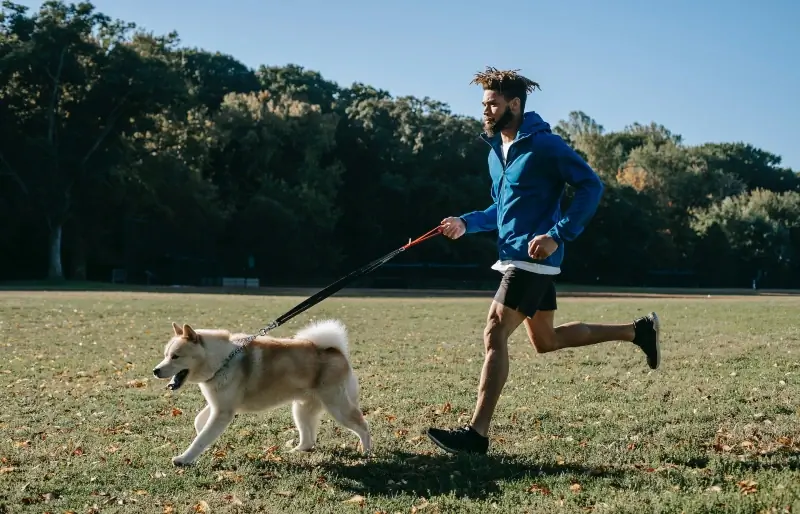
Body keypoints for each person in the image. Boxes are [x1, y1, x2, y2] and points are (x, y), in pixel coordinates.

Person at [426, 67, 661, 455]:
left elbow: (591, 185)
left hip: (531, 258)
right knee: (546, 340)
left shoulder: (545, 146)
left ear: (514, 105)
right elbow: (500, 209)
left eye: (493, 104)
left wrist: (558, 234)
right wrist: (465, 223)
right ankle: (638, 331)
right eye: (484, 104)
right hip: (515, 256)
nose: (485, 111)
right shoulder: (497, 152)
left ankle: (476, 435)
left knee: (494, 332)